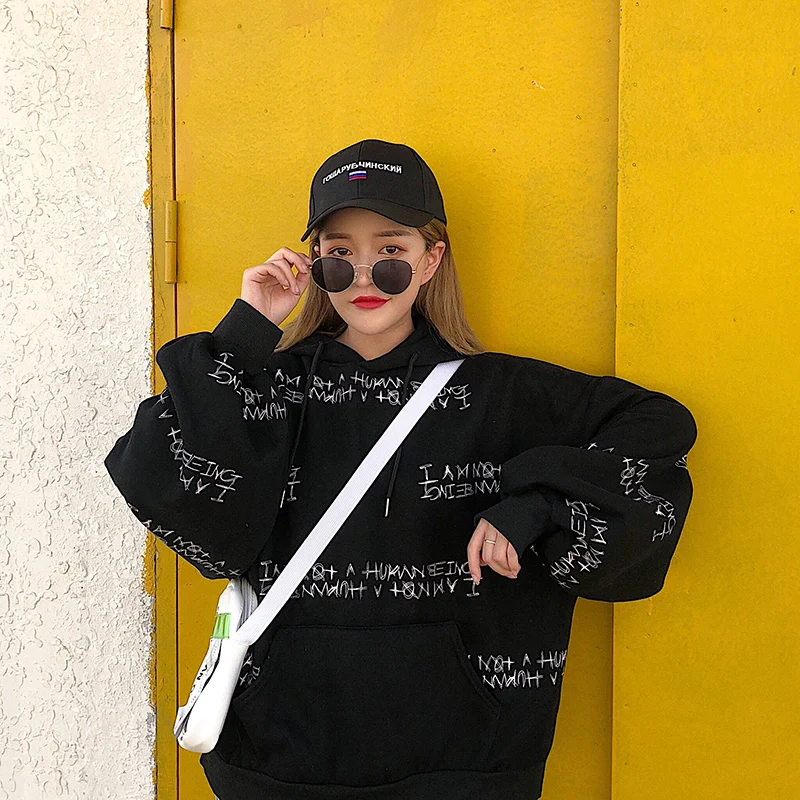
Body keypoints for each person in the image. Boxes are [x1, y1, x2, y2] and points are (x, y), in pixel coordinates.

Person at [104, 138, 698, 800]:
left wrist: (535, 506)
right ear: (314, 262)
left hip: (465, 762)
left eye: (390, 253)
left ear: (430, 259)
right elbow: (159, 475)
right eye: (339, 255)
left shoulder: (503, 394)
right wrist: (247, 332)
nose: (364, 278)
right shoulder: (268, 389)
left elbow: (657, 428)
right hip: (277, 756)